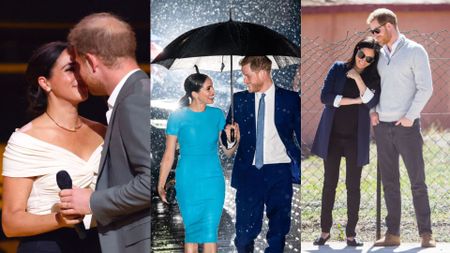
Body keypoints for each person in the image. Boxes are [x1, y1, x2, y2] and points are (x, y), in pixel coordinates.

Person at [57, 13, 151, 253]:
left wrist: (91, 201)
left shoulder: (134, 100)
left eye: (77, 66)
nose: (79, 76)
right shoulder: (138, 92)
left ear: (92, 61)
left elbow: (154, 181)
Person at [1, 41, 105, 253]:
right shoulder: (26, 140)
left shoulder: (103, 131)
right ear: (45, 83)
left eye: (81, 68)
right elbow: (10, 223)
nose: (80, 76)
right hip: (48, 245)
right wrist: (58, 219)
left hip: (100, 243)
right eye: (70, 69)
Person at [366, 8, 436, 248]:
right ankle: (392, 233)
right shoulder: (377, 54)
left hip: (406, 127)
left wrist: (409, 116)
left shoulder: (415, 51)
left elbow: (425, 88)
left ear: (389, 26)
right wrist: (372, 110)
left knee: (417, 181)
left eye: (376, 30)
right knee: (389, 182)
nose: (373, 35)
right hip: (382, 128)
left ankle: (426, 233)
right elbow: (372, 86)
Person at [222, 56, 301, 253]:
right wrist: (231, 137)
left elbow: (301, 137)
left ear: (262, 73)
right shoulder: (239, 100)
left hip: (279, 172)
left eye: (247, 76)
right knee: (243, 234)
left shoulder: (290, 99)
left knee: (278, 232)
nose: (244, 80)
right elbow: (228, 148)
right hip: (249, 173)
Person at [158, 70, 239, 253]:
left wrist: (234, 140)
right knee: (192, 233)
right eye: (208, 88)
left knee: (210, 232)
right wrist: (161, 184)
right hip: (188, 180)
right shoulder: (177, 117)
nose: (213, 92)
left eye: (213, 87)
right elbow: (169, 154)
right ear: (195, 94)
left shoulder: (217, 114)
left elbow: (227, 152)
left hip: (213, 179)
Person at [310, 37, 381, 247]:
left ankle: (351, 234)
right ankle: (324, 231)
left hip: (355, 139)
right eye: (362, 55)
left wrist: (358, 79)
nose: (363, 61)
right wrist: (357, 100)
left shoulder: (372, 77)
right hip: (332, 136)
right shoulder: (338, 68)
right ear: (356, 50)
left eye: (369, 59)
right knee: (329, 183)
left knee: (353, 186)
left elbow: (372, 101)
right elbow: (325, 97)